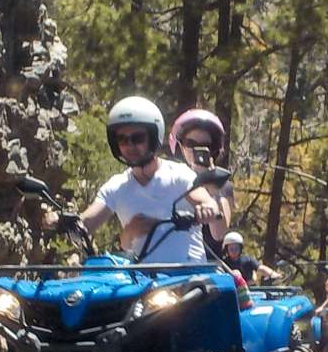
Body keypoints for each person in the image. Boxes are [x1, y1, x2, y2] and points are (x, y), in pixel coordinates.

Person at [73, 96, 225, 263]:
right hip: (142, 281)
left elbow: (204, 199)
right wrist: (59, 220)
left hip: (188, 277)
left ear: (153, 137)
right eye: (122, 139)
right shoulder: (116, 187)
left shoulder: (179, 175)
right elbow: (86, 223)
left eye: (137, 138)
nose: (129, 145)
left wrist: (208, 208)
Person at [166, 108, 235, 257]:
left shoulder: (223, 184)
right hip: (168, 261)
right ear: (180, 146)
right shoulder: (168, 178)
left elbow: (219, 233)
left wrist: (211, 182)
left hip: (207, 266)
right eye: (190, 143)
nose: (196, 149)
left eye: (205, 145)